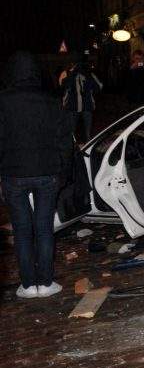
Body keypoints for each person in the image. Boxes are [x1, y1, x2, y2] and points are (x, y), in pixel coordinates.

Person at [0, 51, 75, 298]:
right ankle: (45, 282)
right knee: (44, 228)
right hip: (47, 172)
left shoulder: (3, 101)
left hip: (13, 174)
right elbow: (64, 140)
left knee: (22, 230)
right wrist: (63, 170)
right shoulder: (51, 101)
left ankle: (28, 285)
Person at [59, 53, 103, 141]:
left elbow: (99, 86)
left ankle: (82, 146)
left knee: (83, 133)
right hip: (76, 106)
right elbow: (62, 86)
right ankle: (76, 147)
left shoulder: (87, 73)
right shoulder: (68, 73)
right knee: (75, 133)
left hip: (81, 106)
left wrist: (86, 75)